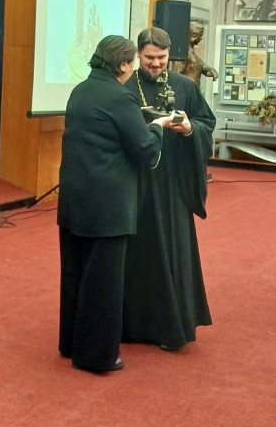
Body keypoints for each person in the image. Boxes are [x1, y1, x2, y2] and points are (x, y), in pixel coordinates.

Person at [57, 35, 176, 373]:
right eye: (133, 62)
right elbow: (146, 150)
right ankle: (97, 356)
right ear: (123, 64)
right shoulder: (121, 97)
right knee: (103, 283)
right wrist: (158, 126)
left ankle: (71, 344)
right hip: (107, 205)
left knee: (75, 274)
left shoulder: (80, 90)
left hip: (74, 199)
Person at [122, 27, 216, 351]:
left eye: (161, 58)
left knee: (172, 253)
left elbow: (207, 124)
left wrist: (190, 129)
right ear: (138, 55)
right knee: (136, 255)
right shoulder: (125, 88)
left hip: (172, 185)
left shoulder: (185, 86)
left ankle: (170, 328)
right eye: (149, 57)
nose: (156, 63)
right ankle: (132, 326)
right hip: (135, 182)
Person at [178, 21, 219, 86]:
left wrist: (211, 70)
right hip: (186, 89)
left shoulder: (192, 52)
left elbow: (202, 65)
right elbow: (176, 74)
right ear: (193, 35)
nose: (201, 38)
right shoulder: (183, 52)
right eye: (199, 35)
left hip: (193, 89)